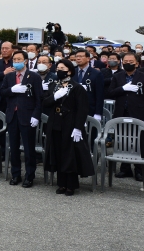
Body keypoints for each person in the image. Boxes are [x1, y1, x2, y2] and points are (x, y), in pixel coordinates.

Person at [43, 59, 95, 195]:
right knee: (58, 152)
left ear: (69, 71)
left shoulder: (77, 87)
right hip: (55, 121)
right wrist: (55, 96)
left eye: (62, 68)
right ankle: (61, 184)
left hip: (70, 122)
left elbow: (82, 109)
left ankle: (71, 185)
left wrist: (78, 127)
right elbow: (45, 102)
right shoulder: (53, 85)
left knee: (69, 154)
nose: (59, 70)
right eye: (58, 68)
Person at [108, 53, 144, 181]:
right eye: (125, 61)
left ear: (137, 63)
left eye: (131, 61)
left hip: (139, 114)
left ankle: (139, 169)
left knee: (138, 143)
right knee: (122, 141)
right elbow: (110, 93)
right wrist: (123, 88)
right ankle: (125, 168)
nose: (128, 63)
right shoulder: (117, 77)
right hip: (121, 113)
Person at [0, 50, 43, 188]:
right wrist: (12, 90)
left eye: (19, 59)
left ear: (25, 61)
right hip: (13, 115)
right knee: (14, 147)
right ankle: (16, 174)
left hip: (28, 116)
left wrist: (36, 115)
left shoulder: (34, 77)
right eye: (15, 59)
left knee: (29, 148)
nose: (16, 62)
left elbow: (39, 98)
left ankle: (29, 176)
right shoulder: (9, 76)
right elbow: (2, 92)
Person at [73, 49, 104, 122]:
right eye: (76, 56)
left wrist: (98, 113)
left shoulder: (96, 74)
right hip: (73, 108)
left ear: (88, 58)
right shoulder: (72, 72)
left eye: (81, 56)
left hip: (89, 108)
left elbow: (99, 94)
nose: (78, 58)